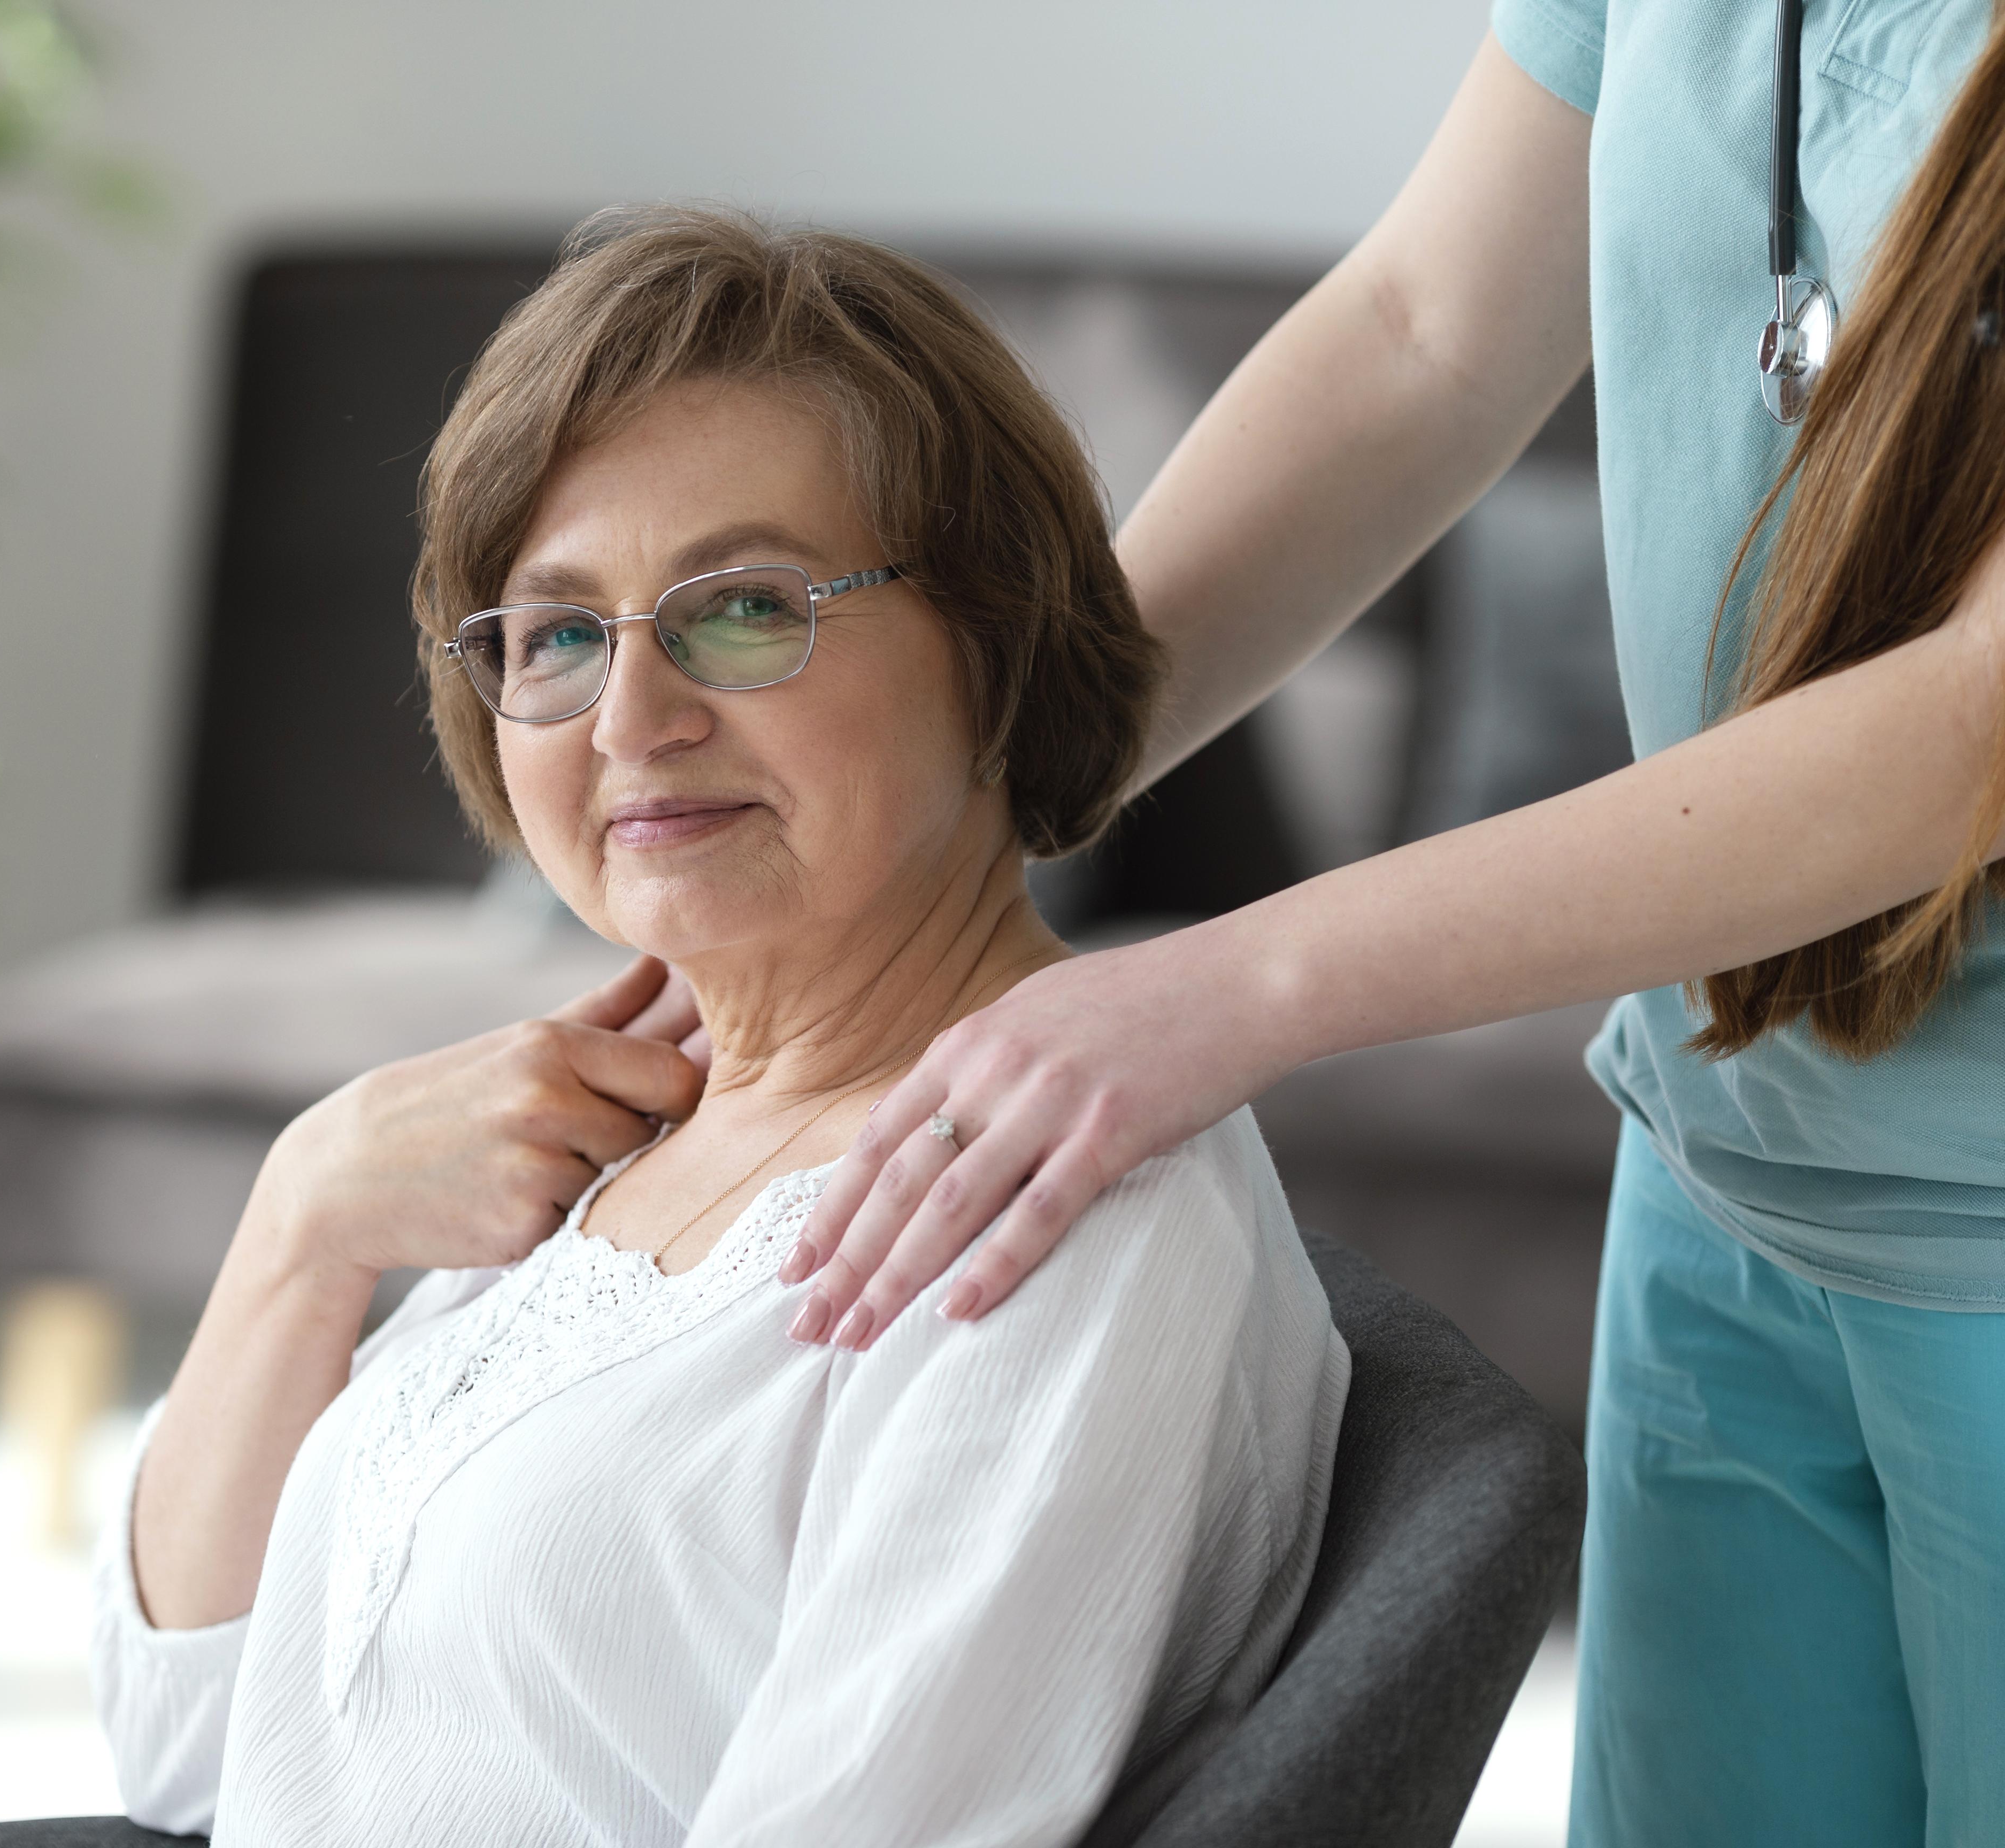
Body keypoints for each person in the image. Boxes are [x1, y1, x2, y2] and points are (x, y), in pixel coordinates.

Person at [781, 6, 2005, 1843]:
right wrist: (955, 815)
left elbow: (1970, 729)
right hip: (1728, 1174)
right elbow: (1423, 339)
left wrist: (1234, 982)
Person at [90, 207, 1349, 1847]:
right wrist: (300, 1226)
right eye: (555, 636)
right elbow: (192, 1758)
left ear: (997, 643)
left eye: (747, 609)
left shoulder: (1056, 1205)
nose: (633, 719)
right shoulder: (614, 1124)